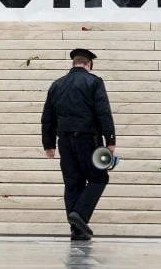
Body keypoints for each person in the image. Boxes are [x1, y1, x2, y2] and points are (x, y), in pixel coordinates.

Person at [42, 48, 116, 241]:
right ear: (89, 64)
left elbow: (47, 117)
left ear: (73, 63)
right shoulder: (94, 82)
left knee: (73, 183)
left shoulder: (57, 84)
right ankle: (80, 215)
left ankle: (77, 231)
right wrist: (110, 140)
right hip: (87, 139)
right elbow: (103, 112)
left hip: (64, 141)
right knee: (99, 178)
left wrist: (48, 144)